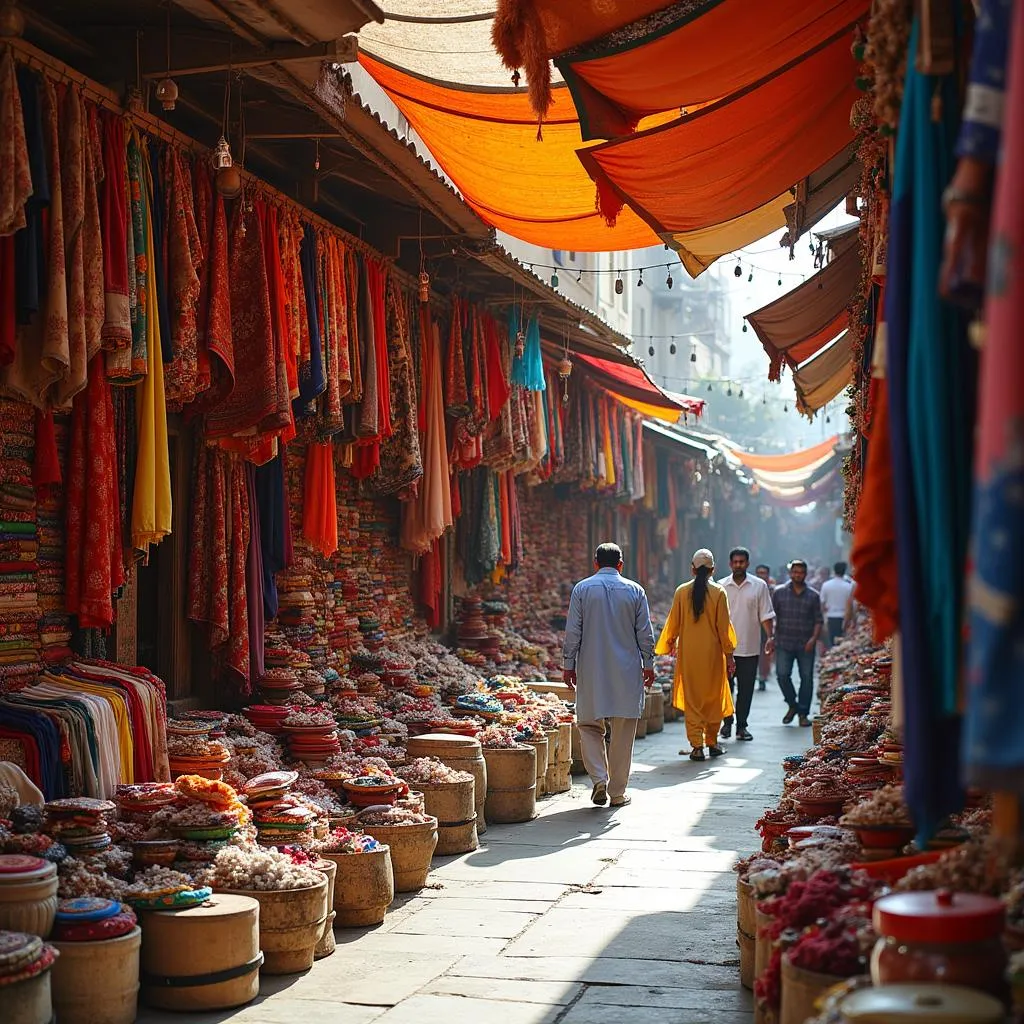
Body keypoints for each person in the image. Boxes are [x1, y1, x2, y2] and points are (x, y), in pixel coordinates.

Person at [562, 542, 655, 808]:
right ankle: (616, 793)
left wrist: (568, 664)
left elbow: (573, 632)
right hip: (626, 671)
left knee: (590, 726)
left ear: (595, 563)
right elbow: (645, 634)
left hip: (591, 669)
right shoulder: (635, 591)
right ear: (620, 564)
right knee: (623, 731)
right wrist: (648, 664)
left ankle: (599, 780)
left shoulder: (582, 589)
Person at [655, 549, 737, 762]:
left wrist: (668, 644)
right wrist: (729, 655)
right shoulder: (719, 592)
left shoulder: (682, 591)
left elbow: (673, 622)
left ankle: (697, 747)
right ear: (713, 570)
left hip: (689, 654)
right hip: (712, 655)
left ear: (692, 568)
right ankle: (712, 742)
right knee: (713, 698)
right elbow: (723, 627)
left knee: (693, 700)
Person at [719, 548, 775, 742]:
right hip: (725, 649)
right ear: (730, 564)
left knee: (746, 689)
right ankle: (727, 722)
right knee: (726, 688)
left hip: (750, 647)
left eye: (742, 562)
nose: (738, 565)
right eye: (735, 562)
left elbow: (766, 614)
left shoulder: (759, 586)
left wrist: (770, 637)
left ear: (747, 563)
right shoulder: (720, 586)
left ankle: (742, 726)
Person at [772, 559, 824, 727]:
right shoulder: (779, 593)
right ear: (790, 573)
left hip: (805, 644)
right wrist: (771, 637)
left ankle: (803, 713)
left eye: (800, 572)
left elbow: (818, 620)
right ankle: (792, 704)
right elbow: (773, 618)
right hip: (783, 642)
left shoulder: (813, 595)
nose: (797, 575)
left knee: (807, 678)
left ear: (805, 574)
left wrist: (813, 639)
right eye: (795, 572)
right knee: (782, 675)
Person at [820, 562, 854, 647]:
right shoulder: (848, 586)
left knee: (831, 642)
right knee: (842, 643)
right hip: (844, 617)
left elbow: (822, 604)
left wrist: (822, 619)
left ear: (834, 571)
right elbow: (850, 605)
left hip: (830, 616)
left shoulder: (826, 585)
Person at [755, 564, 776, 690]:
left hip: (767, 625)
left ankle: (762, 676)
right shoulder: (752, 587)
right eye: (759, 573)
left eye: (764, 573)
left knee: (764, 653)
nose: (761, 575)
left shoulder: (773, 590)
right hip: (752, 625)